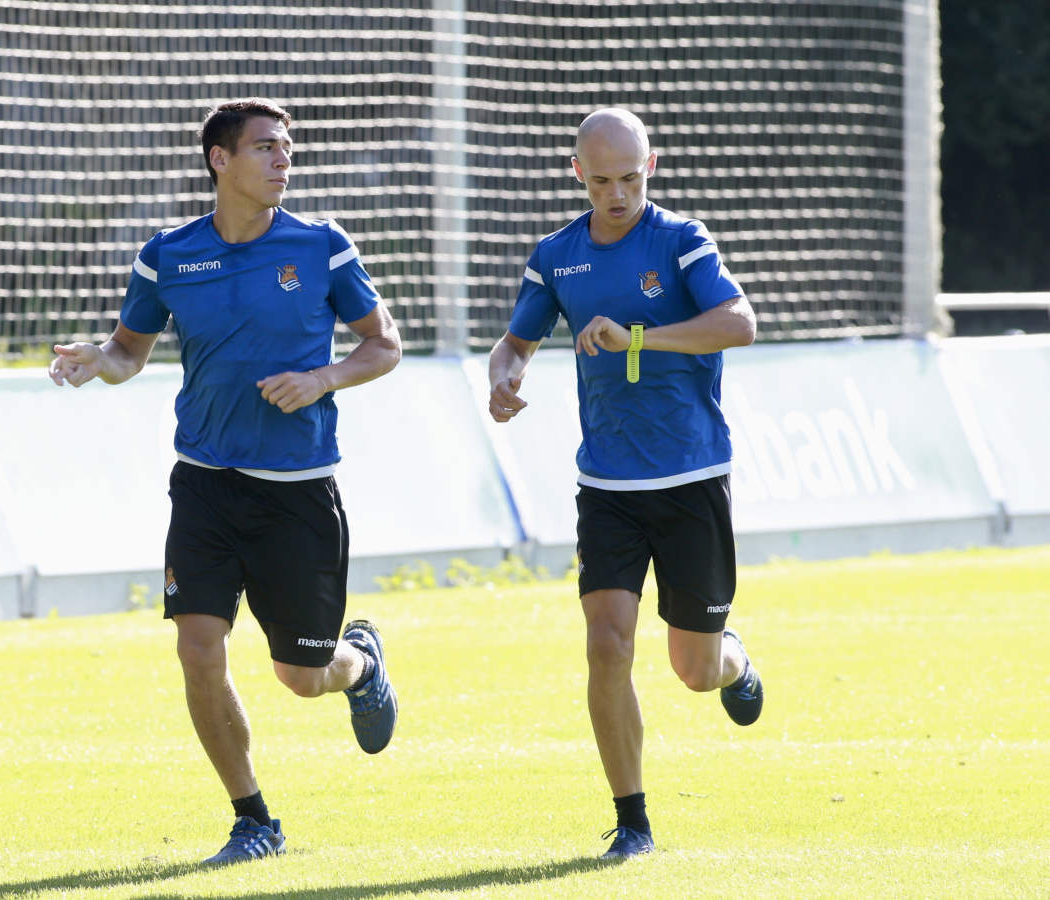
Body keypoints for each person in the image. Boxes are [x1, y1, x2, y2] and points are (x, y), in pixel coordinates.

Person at [48, 98, 402, 867]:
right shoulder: (166, 255)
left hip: (297, 491)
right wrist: (93, 362)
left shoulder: (321, 246)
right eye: (266, 148)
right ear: (220, 160)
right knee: (199, 649)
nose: (283, 160)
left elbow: (384, 346)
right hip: (204, 485)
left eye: (287, 148)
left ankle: (360, 664)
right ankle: (254, 820)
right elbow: (127, 352)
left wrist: (323, 379)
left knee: (302, 676)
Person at [487, 108, 765, 861]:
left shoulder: (680, 241)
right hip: (606, 484)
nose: (616, 194)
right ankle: (631, 821)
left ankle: (732, 658)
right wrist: (504, 380)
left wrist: (637, 335)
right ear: (576, 173)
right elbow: (514, 341)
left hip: (690, 477)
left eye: (630, 178)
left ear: (652, 166)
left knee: (693, 670)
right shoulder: (555, 255)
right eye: (601, 180)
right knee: (607, 646)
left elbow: (737, 323)